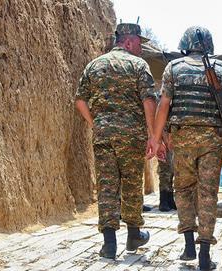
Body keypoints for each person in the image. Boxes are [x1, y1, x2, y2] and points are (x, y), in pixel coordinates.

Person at [147, 26, 222, 270]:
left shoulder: (173, 68)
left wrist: (156, 137)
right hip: (211, 141)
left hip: (181, 140)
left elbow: (164, 106)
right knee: (207, 194)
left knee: (182, 190)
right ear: (209, 45)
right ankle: (204, 254)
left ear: (185, 44)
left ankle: (188, 247)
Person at [75, 23, 156, 260]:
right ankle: (133, 235)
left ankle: (109, 244)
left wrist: (95, 123)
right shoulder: (139, 65)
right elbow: (149, 100)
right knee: (131, 183)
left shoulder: (94, 65)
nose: (141, 50)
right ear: (128, 42)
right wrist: (153, 135)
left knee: (107, 185)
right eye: (139, 44)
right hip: (131, 135)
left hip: (103, 135)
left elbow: (80, 100)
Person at [157, 131, 177, 212]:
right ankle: (163, 200)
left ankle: (170, 199)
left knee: (172, 170)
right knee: (165, 171)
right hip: (163, 135)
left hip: (174, 135)